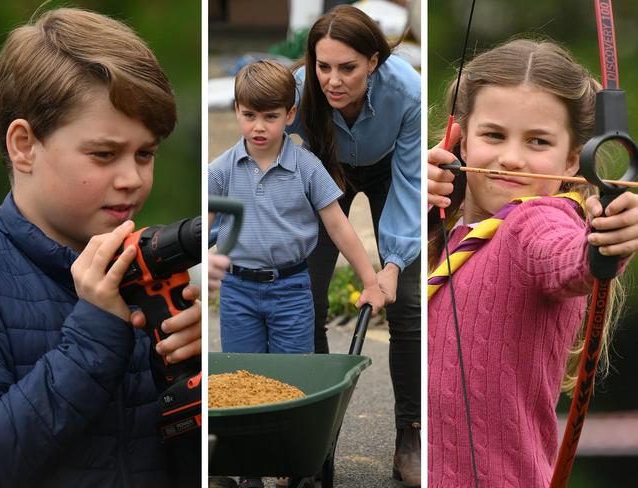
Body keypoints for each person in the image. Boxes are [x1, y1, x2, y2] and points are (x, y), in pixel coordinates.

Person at [0, 8, 201, 488]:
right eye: (104, 154)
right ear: (24, 146)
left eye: (145, 154)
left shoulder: (148, 273)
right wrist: (95, 336)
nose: (132, 180)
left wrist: (193, 379)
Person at [428, 39, 638, 487]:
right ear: (459, 140)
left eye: (537, 141)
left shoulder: (537, 221)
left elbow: (568, 257)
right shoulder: (437, 234)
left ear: (570, 160)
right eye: (494, 135)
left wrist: (604, 243)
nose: (512, 157)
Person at [208, 60, 384, 488]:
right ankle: (248, 472)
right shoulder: (220, 172)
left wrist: (370, 279)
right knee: (239, 382)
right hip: (238, 291)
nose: (259, 127)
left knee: (289, 381)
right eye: (249, 115)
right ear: (236, 111)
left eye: (270, 116)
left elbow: (339, 225)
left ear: (289, 115)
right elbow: (203, 229)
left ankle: (292, 466)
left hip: (290, 288)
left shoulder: (306, 167)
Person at [286, 5, 421, 486]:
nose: (333, 80)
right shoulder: (299, 93)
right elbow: (267, 160)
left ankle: (410, 433)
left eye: (348, 68)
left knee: (406, 303)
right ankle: (318, 436)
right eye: (324, 66)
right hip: (327, 172)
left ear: (373, 62)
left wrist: (393, 263)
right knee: (304, 299)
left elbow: (410, 183)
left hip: (389, 172)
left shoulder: (407, 92)